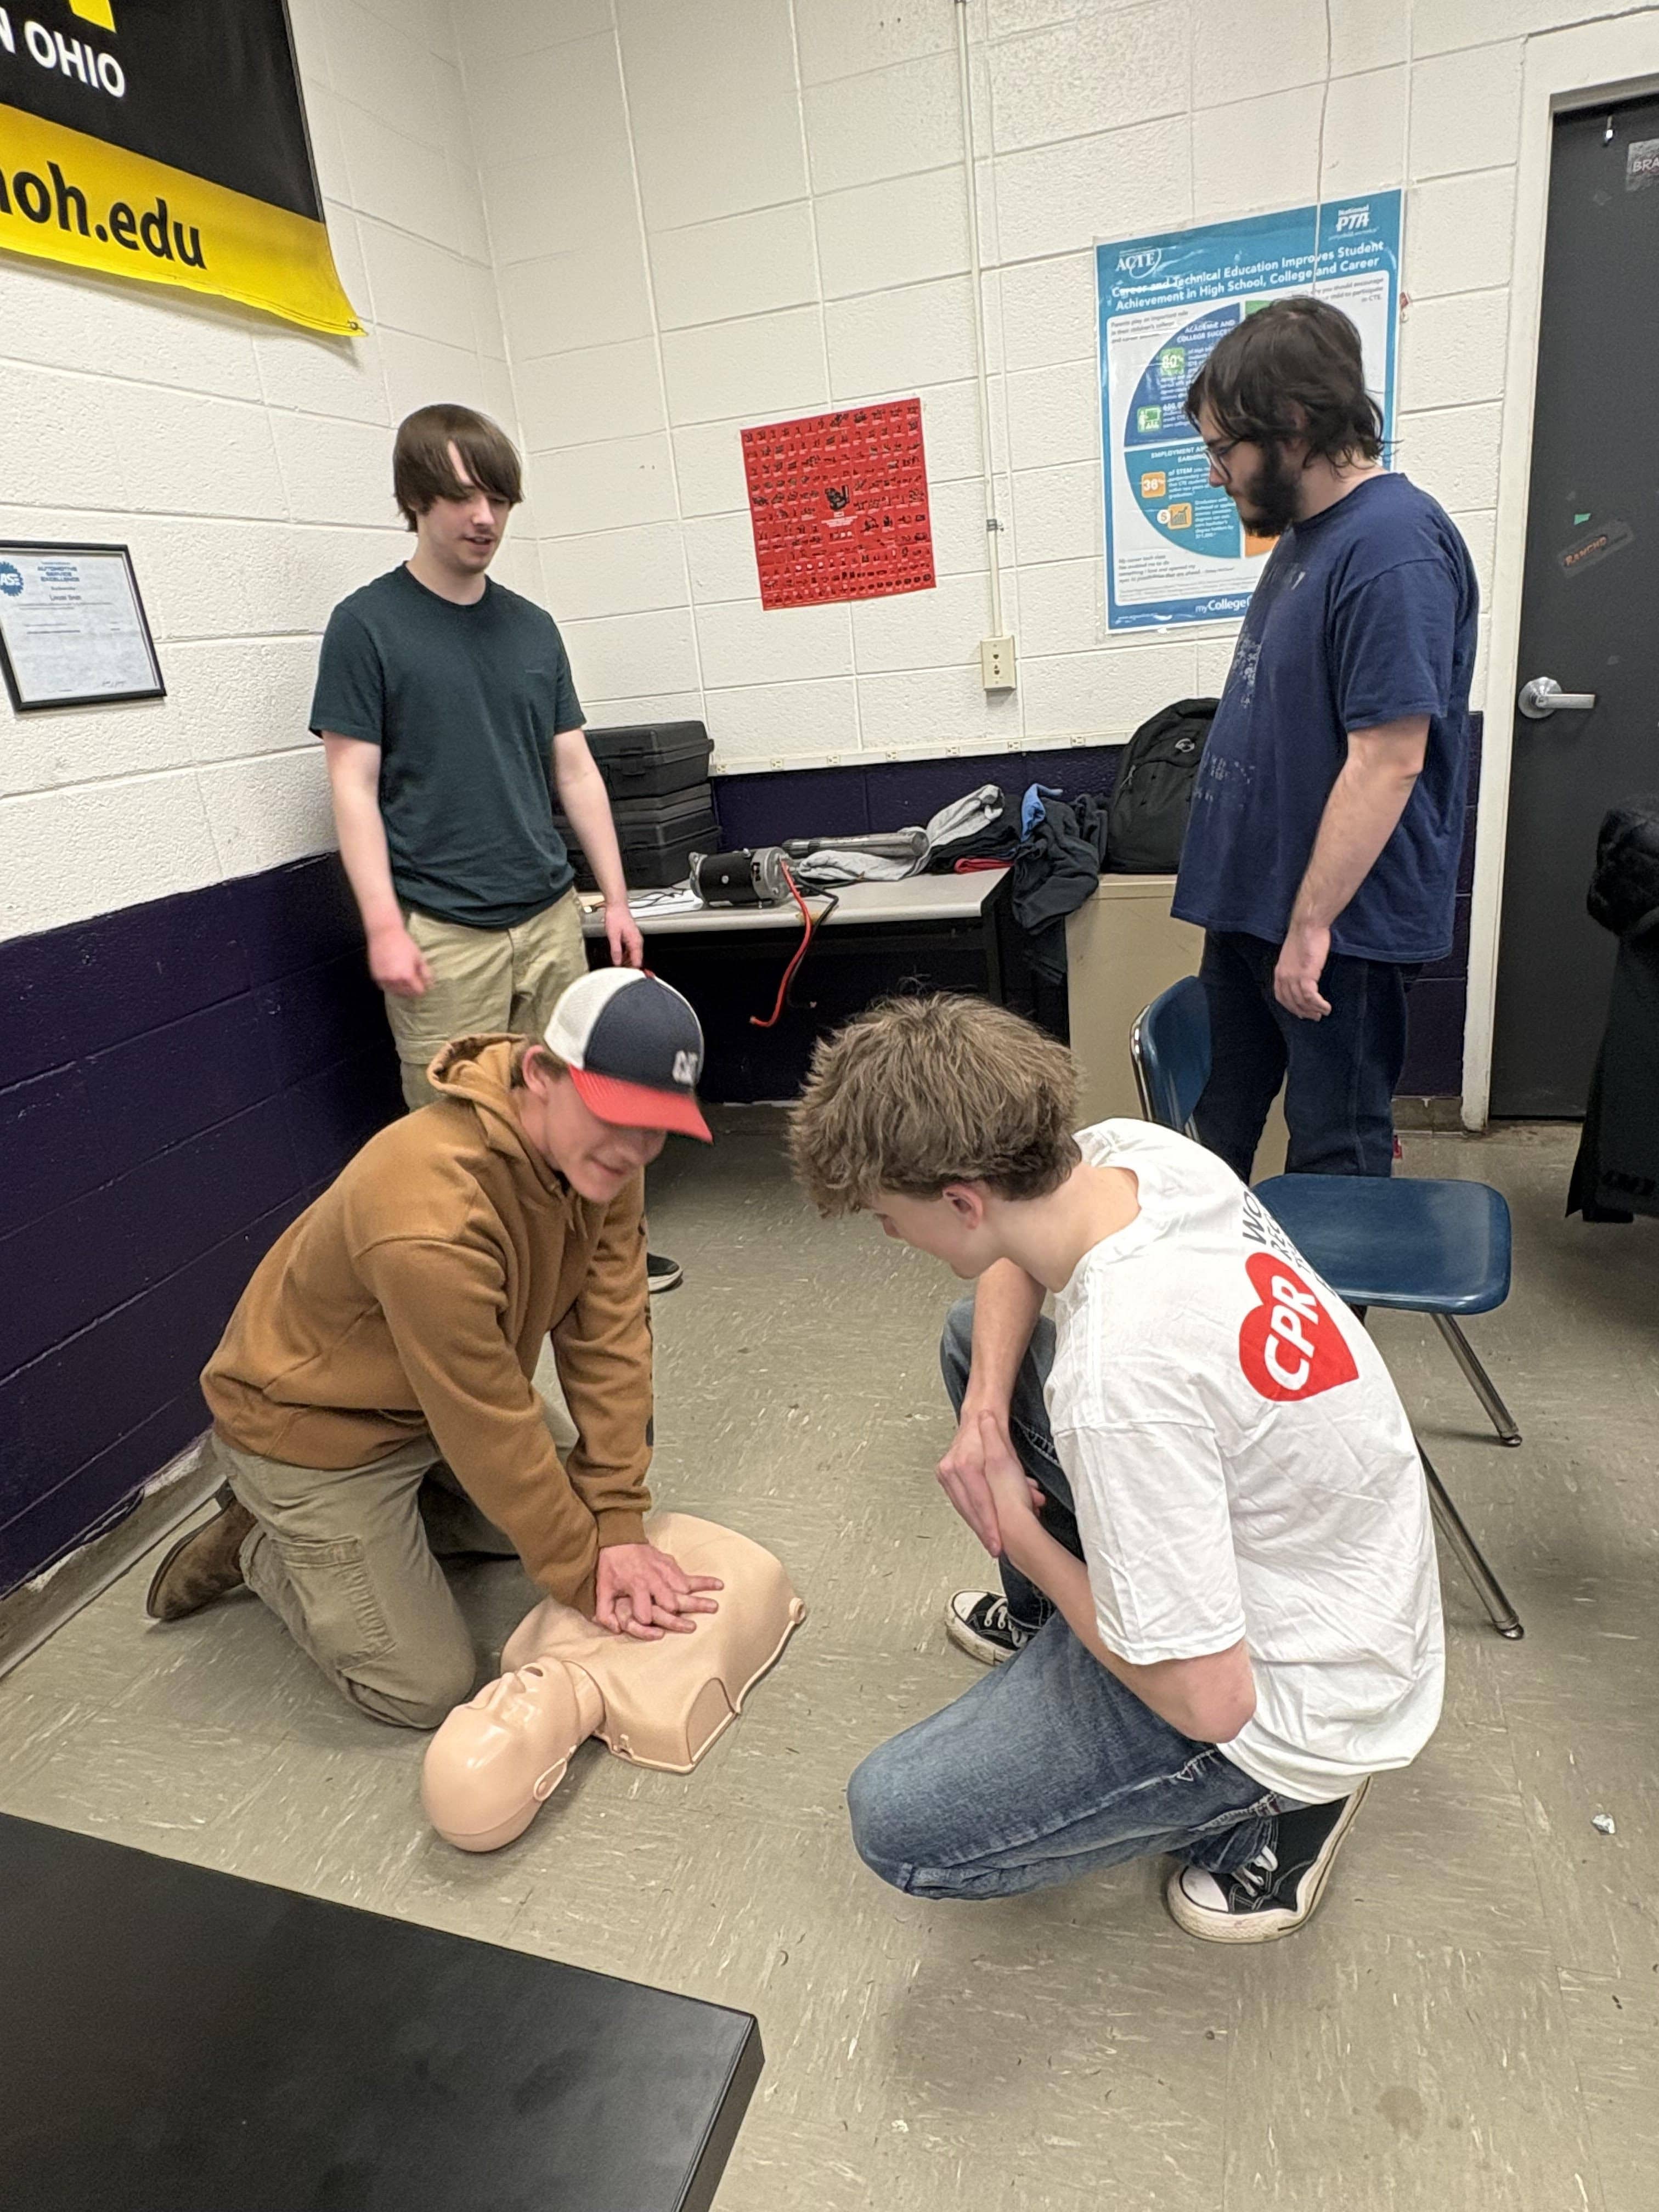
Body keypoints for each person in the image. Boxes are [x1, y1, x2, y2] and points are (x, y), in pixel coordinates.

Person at [789, 995, 1443, 1942]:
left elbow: (1211, 1701)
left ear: (963, 1201)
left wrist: (1019, 1531)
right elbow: (1011, 1258)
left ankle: (1275, 1812)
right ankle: (1075, 1623)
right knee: (979, 1339)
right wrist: (985, 1417)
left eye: (891, 1218)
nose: (892, 1236)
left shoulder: (1119, 1383)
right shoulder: (1134, 1157)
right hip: (1336, 1565)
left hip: (1290, 1695)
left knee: (896, 1821)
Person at [145, 972, 721, 1729]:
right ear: (541, 1074)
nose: (634, 1148)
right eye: (615, 1114)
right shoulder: (431, 1216)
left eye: (657, 1125)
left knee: (581, 1511)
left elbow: (611, 1336)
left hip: (434, 1405)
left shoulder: (608, 1165)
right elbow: (487, 1420)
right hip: (314, 1432)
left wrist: (615, 1516)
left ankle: (385, 1535)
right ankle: (260, 1544)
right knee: (425, 1687)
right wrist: (588, 1575)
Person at [312, 400, 680, 1291]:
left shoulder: (532, 628)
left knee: (577, 1099)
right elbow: (351, 786)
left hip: (549, 915)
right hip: (441, 928)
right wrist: (383, 926)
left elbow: (575, 771)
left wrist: (616, 900)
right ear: (415, 499)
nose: (484, 519)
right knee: (456, 1132)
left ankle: (587, 1271)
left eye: (500, 500)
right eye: (461, 498)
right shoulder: (367, 626)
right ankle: (475, 1289)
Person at [1172, 297, 1479, 1181]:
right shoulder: (1310, 536)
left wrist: (1312, 925)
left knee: (1334, 1150)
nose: (1216, 475)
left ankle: (1330, 1285)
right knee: (1216, 1132)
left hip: (1337, 927)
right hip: (1255, 905)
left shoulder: (1393, 547)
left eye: (1224, 450)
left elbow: (1389, 759)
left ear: (1294, 424)